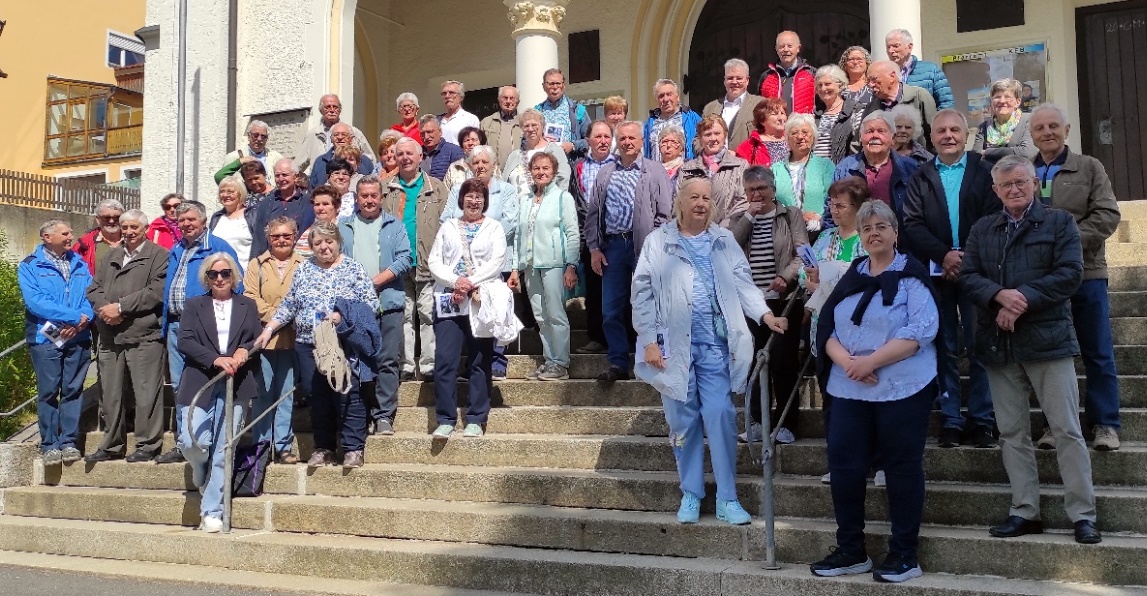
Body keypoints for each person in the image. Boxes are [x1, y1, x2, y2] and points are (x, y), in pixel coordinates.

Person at [961, 155, 1101, 545]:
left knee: (1067, 430)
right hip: (999, 344)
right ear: (995, 190)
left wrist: (1021, 297)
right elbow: (969, 277)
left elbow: (1070, 272)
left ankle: (1083, 515)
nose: (1014, 189)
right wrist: (999, 296)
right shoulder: (982, 229)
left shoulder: (1059, 222)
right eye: (1006, 185)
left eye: (1021, 182)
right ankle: (1026, 511)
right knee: (1011, 433)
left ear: (1034, 183)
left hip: (1048, 341)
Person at [632, 178, 786, 526]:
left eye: (706, 198)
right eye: (694, 197)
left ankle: (728, 497)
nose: (701, 203)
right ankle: (691, 492)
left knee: (720, 415)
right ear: (680, 203)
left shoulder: (723, 239)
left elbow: (744, 283)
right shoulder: (659, 242)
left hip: (715, 346)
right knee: (682, 422)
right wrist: (649, 340)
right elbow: (641, 293)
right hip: (673, 348)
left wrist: (764, 314)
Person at [810, 200, 939, 583]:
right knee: (846, 468)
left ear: (895, 233)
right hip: (850, 385)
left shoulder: (912, 276)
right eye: (867, 229)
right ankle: (851, 549)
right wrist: (849, 362)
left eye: (881, 226)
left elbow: (921, 330)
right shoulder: (852, 276)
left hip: (903, 386)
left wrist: (871, 362)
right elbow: (827, 328)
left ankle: (904, 553)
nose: (874, 233)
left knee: (901, 467)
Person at [903, 109, 1000, 448]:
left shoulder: (984, 172)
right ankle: (951, 419)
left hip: (977, 273)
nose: (948, 135)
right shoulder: (920, 176)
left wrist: (965, 258)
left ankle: (982, 420)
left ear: (965, 134)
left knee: (978, 344)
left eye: (955, 130)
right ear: (931, 137)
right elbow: (912, 223)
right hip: (936, 273)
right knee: (943, 345)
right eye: (941, 130)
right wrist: (944, 254)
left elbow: (993, 218)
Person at [1029, 103, 1122, 451]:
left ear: (1067, 130)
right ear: (1033, 134)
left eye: (1054, 126)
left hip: (1087, 274)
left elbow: (1107, 215)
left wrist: (1065, 243)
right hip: (1042, 279)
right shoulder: (1024, 171)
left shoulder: (1089, 167)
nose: (1048, 132)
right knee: (1051, 355)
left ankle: (1105, 425)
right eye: (1040, 128)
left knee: (1097, 352)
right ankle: (1056, 425)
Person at [258, 221, 380, 467]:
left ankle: (353, 448)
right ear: (311, 247)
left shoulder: (353, 269)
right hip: (308, 344)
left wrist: (342, 316)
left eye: (329, 241)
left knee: (348, 393)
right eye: (318, 243)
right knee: (317, 396)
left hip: (341, 343)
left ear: (338, 242)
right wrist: (269, 329)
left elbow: (371, 304)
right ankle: (323, 448)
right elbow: (290, 304)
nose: (324, 247)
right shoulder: (304, 270)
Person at [175, 253, 262, 532]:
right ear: (207, 278)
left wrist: (242, 350)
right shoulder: (194, 305)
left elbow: (254, 338)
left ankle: (212, 509)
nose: (220, 278)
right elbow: (185, 341)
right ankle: (200, 470)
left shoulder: (247, 305)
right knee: (192, 440)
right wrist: (215, 358)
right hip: (199, 379)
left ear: (234, 276)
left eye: (225, 273)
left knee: (225, 448)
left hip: (236, 381)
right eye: (214, 274)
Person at [586, 121, 675, 382]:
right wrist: (594, 248)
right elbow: (593, 214)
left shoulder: (655, 170)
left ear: (641, 140)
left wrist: (656, 245)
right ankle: (618, 363)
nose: (627, 142)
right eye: (622, 138)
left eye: (632, 138)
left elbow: (665, 213)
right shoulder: (606, 172)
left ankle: (656, 360)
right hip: (612, 247)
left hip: (646, 248)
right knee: (611, 310)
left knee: (652, 305)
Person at [156, 200, 240, 465]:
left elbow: (236, 284)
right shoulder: (177, 248)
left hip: (207, 327)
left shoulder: (217, 247)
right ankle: (185, 442)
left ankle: (208, 439)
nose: (186, 224)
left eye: (191, 219)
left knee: (206, 383)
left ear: (204, 221)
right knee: (181, 385)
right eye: (181, 221)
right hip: (175, 326)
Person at [427, 179, 511, 438]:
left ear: (485, 200)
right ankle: (445, 418)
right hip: (449, 300)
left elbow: (497, 261)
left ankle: (476, 417)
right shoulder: (448, 227)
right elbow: (434, 261)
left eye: (479, 197)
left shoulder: (494, 227)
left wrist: (469, 283)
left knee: (479, 360)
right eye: (469, 196)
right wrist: (455, 282)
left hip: (479, 299)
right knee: (445, 361)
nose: (474, 201)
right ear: (461, 199)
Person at [84, 209, 168, 463]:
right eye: (125, 227)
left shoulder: (158, 256)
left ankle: (147, 444)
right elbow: (93, 288)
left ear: (144, 229)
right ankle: (110, 445)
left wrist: (120, 307)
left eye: (135, 227)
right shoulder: (112, 255)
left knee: (146, 394)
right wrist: (104, 309)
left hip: (143, 334)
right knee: (109, 394)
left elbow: (156, 291)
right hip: (110, 335)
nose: (129, 232)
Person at [730, 167, 807, 444]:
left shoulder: (790, 215)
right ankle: (757, 421)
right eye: (751, 189)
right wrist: (750, 215)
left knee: (783, 362)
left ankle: (786, 424)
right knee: (754, 362)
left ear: (773, 189)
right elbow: (730, 246)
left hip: (784, 302)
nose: (757, 194)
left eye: (762, 188)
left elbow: (803, 254)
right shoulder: (741, 218)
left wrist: (785, 277)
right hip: (751, 304)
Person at [339, 175, 411, 435]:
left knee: (387, 361)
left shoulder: (395, 224)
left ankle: (383, 417)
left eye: (373, 195)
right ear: (356, 198)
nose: (369, 200)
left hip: (388, 302)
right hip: (355, 307)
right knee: (358, 362)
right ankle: (363, 414)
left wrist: (376, 281)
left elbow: (405, 258)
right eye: (364, 196)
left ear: (381, 198)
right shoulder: (344, 226)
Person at [443, 145, 522, 379]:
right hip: (464, 264)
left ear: (493, 166)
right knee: (468, 313)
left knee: (495, 309)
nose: (480, 167)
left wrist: (478, 234)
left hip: (495, 262)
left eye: (484, 163)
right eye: (475, 162)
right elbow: (446, 218)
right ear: (469, 166)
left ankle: (497, 360)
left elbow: (511, 222)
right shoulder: (458, 189)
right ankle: (472, 363)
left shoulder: (506, 191)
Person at [19, 220, 93, 466]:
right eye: (65, 233)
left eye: (71, 231)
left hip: (78, 336)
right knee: (49, 391)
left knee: (72, 390)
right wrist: (73, 318)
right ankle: (50, 444)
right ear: (47, 237)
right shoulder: (30, 266)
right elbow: (36, 302)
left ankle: (69, 442)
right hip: (46, 337)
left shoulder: (79, 263)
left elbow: (91, 295)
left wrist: (83, 320)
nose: (71, 236)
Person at [509, 152, 579, 381]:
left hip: (554, 264)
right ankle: (549, 360)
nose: (540, 172)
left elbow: (571, 233)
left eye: (545, 168)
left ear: (553, 171)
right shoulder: (525, 199)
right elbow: (519, 233)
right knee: (540, 316)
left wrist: (571, 264)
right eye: (536, 168)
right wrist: (516, 266)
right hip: (530, 265)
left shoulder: (562, 198)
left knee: (556, 314)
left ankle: (561, 363)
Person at [385, 137, 450, 380]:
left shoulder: (436, 186)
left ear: (420, 156)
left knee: (428, 314)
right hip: (398, 265)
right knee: (403, 315)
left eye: (409, 153)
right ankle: (406, 365)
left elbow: (447, 224)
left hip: (428, 262)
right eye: (400, 154)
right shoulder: (386, 188)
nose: (405, 158)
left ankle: (429, 364)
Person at [243, 217, 305, 464]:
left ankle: (283, 446)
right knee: (262, 394)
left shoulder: (304, 265)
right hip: (264, 341)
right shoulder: (256, 265)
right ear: (268, 238)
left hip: (293, 339)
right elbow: (250, 296)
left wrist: (287, 317)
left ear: (295, 237)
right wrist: (279, 316)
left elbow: (306, 296)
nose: (281, 240)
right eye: (276, 236)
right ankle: (260, 445)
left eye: (286, 236)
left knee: (286, 394)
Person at [830, 112, 920, 246]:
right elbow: (831, 210)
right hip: (856, 247)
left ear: (893, 138)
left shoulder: (910, 168)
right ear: (861, 137)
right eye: (869, 131)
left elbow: (919, 213)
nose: (875, 136)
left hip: (901, 247)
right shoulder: (845, 168)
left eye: (881, 131)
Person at [569, 121, 615, 356]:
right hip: (590, 238)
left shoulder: (619, 165)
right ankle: (596, 337)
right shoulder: (578, 167)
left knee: (619, 290)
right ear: (588, 140)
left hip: (616, 237)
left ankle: (622, 337)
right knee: (595, 291)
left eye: (607, 136)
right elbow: (576, 204)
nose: (603, 141)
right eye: (598, 136)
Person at [679, 115, 749, 228]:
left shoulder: (740, 166)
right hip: (694, 237)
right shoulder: (687, 169)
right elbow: (679, 203)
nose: (713, 138)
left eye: (717, 133)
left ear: (725, 136)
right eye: (707, 134)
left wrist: (720, 230)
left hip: (728, 236)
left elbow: (743, 202)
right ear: (700, 139)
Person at [773, 113, 834, 235]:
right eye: (794, 133)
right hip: (785, 232)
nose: (800, 137)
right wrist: (796, 216)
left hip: (819, 232)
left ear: (814, 137)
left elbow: (832, 199)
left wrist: (819, 218)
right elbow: (771, 203)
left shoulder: (825, 166)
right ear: (787, 138)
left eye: (805, 132)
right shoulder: (775, 169)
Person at [863, 61, 937, 152]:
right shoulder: (871, 107)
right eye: (868, 81)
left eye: (874, 79)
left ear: (892, 77)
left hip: (918, 162)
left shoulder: (919, 96)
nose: (870, 85)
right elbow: (861, 141)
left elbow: (935, 134)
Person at [249, 158, 315, 258]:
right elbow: (258, 239)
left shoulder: (308, 203)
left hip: (299, 260)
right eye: (277, 175)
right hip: (271, 262)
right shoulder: (266, 204)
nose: (280, 179)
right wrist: (254, 264)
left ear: (296, 177)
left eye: (284, 175)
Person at [296, 93, 375, 175]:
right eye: (328, 107)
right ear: (321, 110)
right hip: (322, 182)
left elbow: (370, 159)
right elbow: (298, 164)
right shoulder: (314, 134)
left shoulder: (353, 132)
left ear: (339, 110)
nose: (332, 110)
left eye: (335, 107)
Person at [503, 109, 572, 195]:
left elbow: (563, 180)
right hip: (515, 206)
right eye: (526, 126)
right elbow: (504, 184)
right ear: (522, 129)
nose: (531, 129)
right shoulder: (514, 156)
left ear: (542, 126)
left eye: (534, 125)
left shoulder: (554, 151)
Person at [885, 29, 955, 110]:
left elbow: (946, 103)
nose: (891, 51)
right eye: (888, 47)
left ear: (909, 47)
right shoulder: (885, 74)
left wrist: (933, 122)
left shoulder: (931, 70)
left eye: (896, 46)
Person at [703, 58, 764, 150]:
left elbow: (769, 136)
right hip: (714, 163)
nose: (734, 82)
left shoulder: (760, 104)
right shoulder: (710, 108)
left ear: (747, 80)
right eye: (730, 78)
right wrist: (707, 153)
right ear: (724, 81)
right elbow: (697, 139)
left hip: (748, 163)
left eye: (739, 78)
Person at [973, 78, 1036, 163]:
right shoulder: (983, 127)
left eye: (1007, 97)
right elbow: (975, 157)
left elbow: (1027, 153)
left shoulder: (1028, 121)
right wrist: (1012, 152)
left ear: (1017, 102)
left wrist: (987, 152)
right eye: (997, 97)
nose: (1002, 101)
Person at [535, 68, 591, 157]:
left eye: (558, 83)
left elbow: (590, 139)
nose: (555, 87)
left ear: (564, 86)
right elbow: (526, 140)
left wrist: (573, 145)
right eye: (551, 83)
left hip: (570, 165)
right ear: (544, 86)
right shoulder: (537, 112)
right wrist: (540, 141)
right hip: (543, 165)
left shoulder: (578, 110)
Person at [643, 79, 702, 162]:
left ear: (677, 97)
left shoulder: (693, 119)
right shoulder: (649, 124)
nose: (666, 99)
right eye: (661, 96)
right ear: (657, 100)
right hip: (656, 173)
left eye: (669, 94)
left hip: (684, 172)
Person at [758, 31, 816, 114]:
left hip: (801, 126)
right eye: (781, 46)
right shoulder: (767, 76)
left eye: (790, 46)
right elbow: (760, 105)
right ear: (776, 49)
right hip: (775, 126)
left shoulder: (811, 73)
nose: (785, 50)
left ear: (798, 48)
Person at [813, 65, 862, 164]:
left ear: (840, 86)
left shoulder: (854, 111)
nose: (823, 89)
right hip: (817, 173)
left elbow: (859, 145)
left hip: (842, 172)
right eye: (820, 85)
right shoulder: (814, 115)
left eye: (827, 84)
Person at [308, 122, 375, 189]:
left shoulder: (365, 161)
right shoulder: (320, 161)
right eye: (336, 135)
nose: (340, 137)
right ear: (331, 139)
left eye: (344, 134)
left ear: (351, 138)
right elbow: (312, 188)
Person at [209, 176, 256, 265]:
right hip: (221, 275)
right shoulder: (216, 218)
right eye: (222, 191)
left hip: (245, 274)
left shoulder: (252, 215)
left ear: (240, 194)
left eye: (230, 192)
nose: (225, 195)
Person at [215, 120, 284, 181]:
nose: (259, 139)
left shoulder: (276, 157)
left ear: (266, 139)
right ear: (249, 136)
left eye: (263, 136)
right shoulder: (234, 157)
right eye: (255, 135)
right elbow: (222, 180)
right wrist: (240, 162)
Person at [73, 199, 126, 275]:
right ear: (98, 220)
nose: (111, 221)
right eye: (106, 218)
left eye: (117, 217)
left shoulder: (135, 242)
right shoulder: (83, 245)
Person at [735, 98, 789, 166]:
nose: (781, 118)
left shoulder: (793, 140)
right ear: (762, 120)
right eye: (774, 114)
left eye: (782, 113)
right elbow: (741, 173)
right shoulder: (749, 146)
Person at [481, 86, 522, 170]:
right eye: (505, 98)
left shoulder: (525, 123)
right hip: (493, 173)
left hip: (518, 174)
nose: (508, 101)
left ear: (518, 101)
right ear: (499, 100)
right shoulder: (486, 122)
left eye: (512, 98)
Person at [295, 184, 341, 259]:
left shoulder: (344, 230)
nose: (320, 208)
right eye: (317, 204)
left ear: (337, 207)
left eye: (325, 204)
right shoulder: (308, 233)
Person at [419, 115, 465, 182]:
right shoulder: (417, 153)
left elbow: (459, 183)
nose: (426, 137)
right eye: (422, 133)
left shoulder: (454, 152)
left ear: (440, 131)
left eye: (430, 132)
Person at [438, 80, 480, 148]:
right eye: (444, 93)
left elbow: (475, 146)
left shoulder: (470, 119)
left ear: (461, 97)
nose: (447, 96)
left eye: (451, 93)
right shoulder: (438, 120)